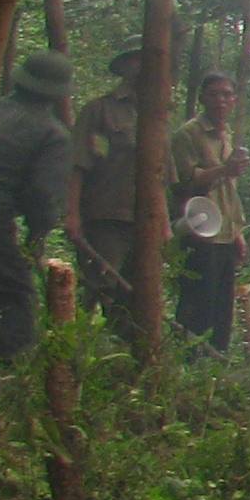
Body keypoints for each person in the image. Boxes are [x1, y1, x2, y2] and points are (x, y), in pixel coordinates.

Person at [0, 50, 72, 360]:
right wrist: (39, 230)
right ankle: (14, 368)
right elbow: (41, 193)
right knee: (13, 294)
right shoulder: (53, 134)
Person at [166, 71, 250, 353]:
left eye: (227, 94)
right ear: (202, 98)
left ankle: (217, 362)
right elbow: (183, 181)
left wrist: (237, 232)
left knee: (222, 305)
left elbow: (229, 190)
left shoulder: (226, 135)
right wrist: (224, 169)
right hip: (199, 230)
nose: (221, 100)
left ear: (235, 100)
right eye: (214, 94)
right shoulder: (188, 134)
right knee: (197, 303)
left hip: (224, 233)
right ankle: (188, 360)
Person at [69, 47, 142, 325]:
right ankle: (74, 352)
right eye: (136, 59)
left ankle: (125, 357)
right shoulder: (99, 110)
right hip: (105, 215)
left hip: (142, 220)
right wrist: (73, 214)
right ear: (123, 66)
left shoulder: (157, 114)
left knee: (134, 295)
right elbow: (79, 164)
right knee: (100, 286)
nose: (142, 66)